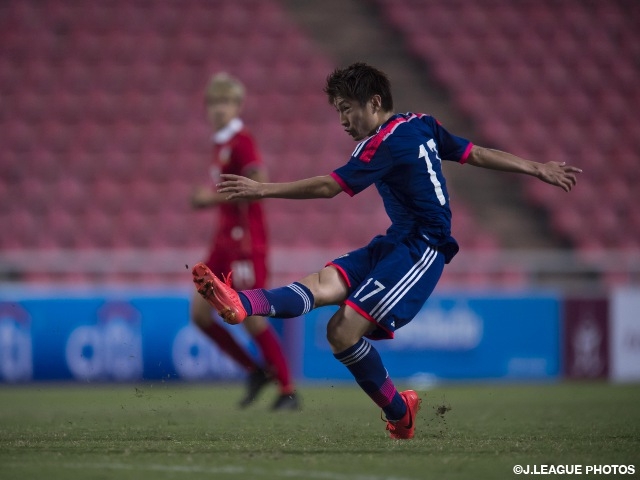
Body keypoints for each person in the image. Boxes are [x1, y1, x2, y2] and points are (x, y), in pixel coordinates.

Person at [192, 63, 581, 438]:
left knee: (341, 331)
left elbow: (330, 187)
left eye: (348, 109)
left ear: (374, 103)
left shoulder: (383, 144)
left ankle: (400, 413)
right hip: (396, 240)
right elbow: (474, 152)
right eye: (339, 111)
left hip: (423, 248)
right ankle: (243, 303)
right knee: (323, 282)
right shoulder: (421, 123)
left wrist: (263, 189)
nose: (343, 120)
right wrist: (536, 167)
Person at [190, 72, 299, 411]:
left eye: (225, 102)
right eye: (213, 103)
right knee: (200, 314)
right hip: (222, 241)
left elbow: (259, 183)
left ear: (238, 105)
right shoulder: (221, 143)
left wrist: (210, 198)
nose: (218, 109)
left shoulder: (242, 141)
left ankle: (287, 390)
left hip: (246, 242)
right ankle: (255, 370)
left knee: (252, 315)